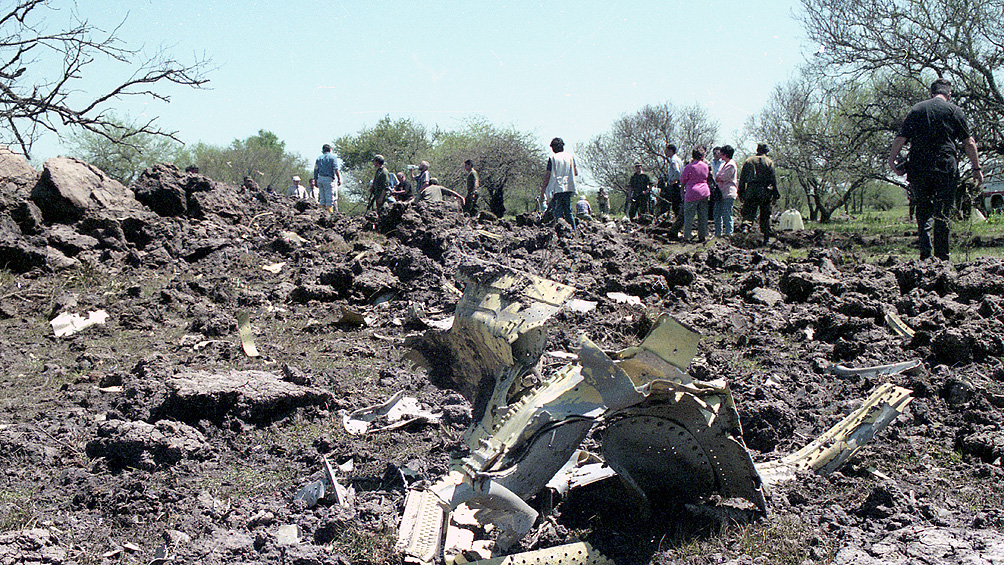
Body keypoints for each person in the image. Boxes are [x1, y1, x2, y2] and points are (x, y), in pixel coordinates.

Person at [889, 78, 982, 261]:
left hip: (919, 168)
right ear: (949, 95)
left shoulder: (917, 109)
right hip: (945, 167)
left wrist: (892, 159)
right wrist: (976, 168)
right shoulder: (955, 111)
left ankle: (925, 256)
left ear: (931, 94)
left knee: (923, 211)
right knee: (943, 213)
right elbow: (968, 142)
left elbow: (901, 138)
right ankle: (942, 259)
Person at [738, 143, 779, 245]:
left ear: (757, 150)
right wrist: (775, 193)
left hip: (751, 189)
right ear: (766, 151)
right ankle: (766, 238)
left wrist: (741, 192)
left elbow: (742, 178)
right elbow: (773, 180)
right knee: (765, 215)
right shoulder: (769, 162)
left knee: (748, 213)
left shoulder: (749, 161)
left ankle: (745, 229)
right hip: (764, 191)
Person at [538, 137, 579, 231]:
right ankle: (573, 231)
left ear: (553, 148)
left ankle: (560, 231)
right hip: (569, 186)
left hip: (558, 187)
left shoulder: (552, 158)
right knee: (568, 211)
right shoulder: (570, 157)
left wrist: (543, 188)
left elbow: (548, 175)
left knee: (558, 211)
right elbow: (575, 172)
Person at [680, 147, 711, 243]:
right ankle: (702, 236)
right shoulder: (706, 166)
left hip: (692, 193)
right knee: (703, 216)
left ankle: (687, 237)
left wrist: (682, 190)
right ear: (702, 156)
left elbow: (683, 180)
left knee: (689, 216)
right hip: (704, 192)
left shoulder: (689, 167)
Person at [713, 145, 739, 237]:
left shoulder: (731, 164)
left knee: (727, 214)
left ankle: (729, 234)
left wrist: (719, 177)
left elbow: (722, 177)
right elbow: (717, 177)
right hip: (721, 193)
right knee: (717, 213)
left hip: (728, 193)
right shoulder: (724, 164)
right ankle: (718, 234)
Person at [314, 144, 342, 213]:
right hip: (328, 179)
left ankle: (322, 213)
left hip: (320, 178)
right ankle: (329, 214)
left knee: (322, 198)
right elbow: (336, 169)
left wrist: (315, 180)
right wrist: (339, 179)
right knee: (329, 199)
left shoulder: (319, 158)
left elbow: (315, 170)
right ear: (330, 150)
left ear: (323, 150)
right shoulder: (333, 158)